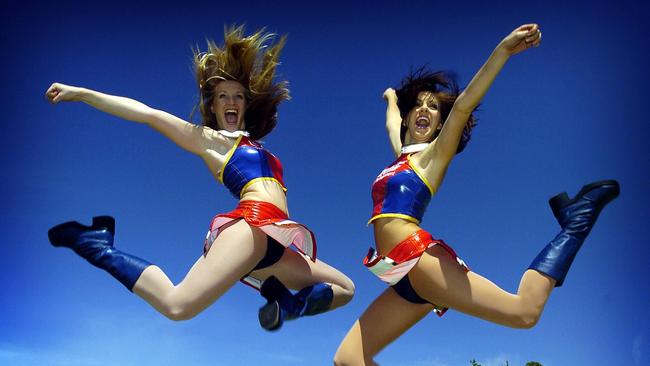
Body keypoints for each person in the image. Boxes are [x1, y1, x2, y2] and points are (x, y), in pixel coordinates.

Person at [334, 24, 619, 364]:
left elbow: (464, 105)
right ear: (408, 117)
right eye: (418, 106)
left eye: (433, 107)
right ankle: (575, 217)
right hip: (398, 273)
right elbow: (391, 124)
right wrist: (392, 99)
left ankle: (577, 220)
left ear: (440, 124)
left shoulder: (432, 156)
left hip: (420, 258)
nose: (425, 110)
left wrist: (503, 50)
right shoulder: (400, 158)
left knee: (524, 312)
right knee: (348, 358)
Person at [45, 26, 354, 330]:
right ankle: (96, 243)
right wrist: (82, 94)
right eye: (222, 96)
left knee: (344, 288)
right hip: (251, 227)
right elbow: (147, 113)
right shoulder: (212, 141)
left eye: (238, 96)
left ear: (247, 104)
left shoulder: (257, 146)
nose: (231, 102)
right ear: (214, 106)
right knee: (177, 306)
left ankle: (287, 303)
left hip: (275, 239)